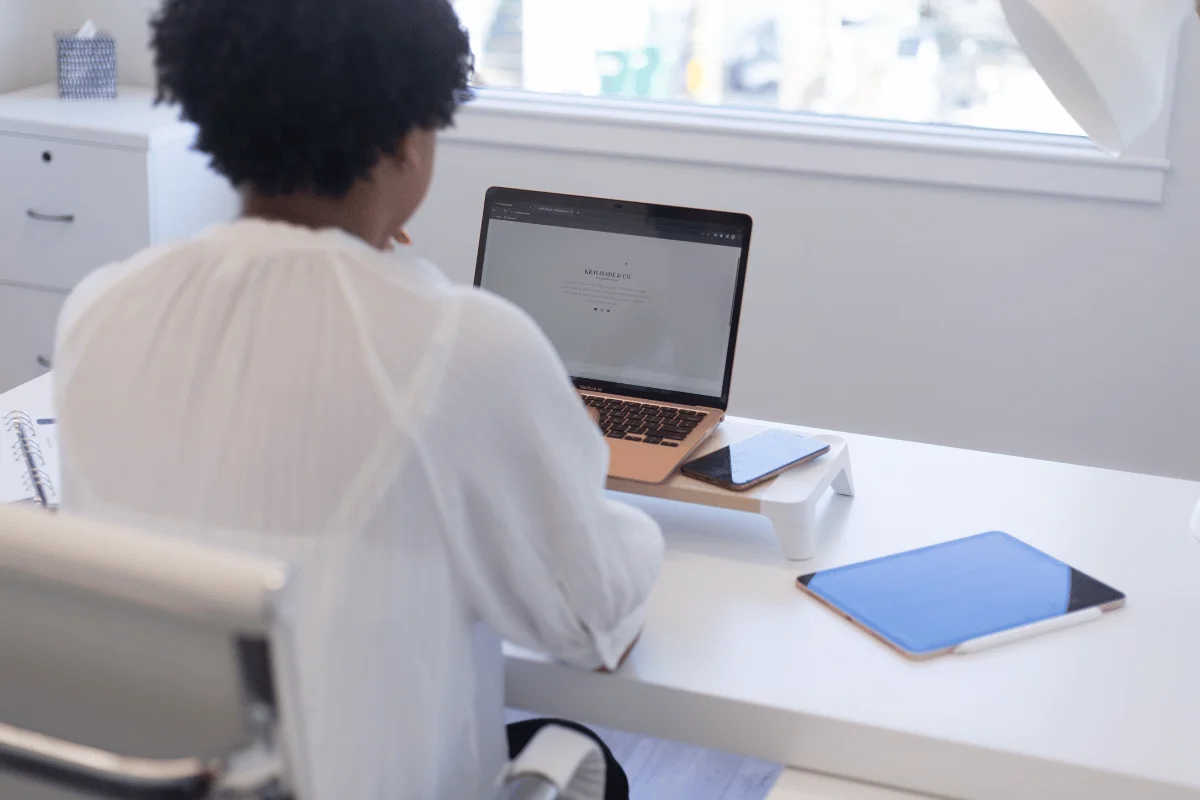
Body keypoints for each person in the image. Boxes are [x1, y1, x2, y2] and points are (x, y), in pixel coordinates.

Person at [51, 0, 664, 798]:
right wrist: (583, 455)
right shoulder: (461, 346)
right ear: (408, 136)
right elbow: (591, 625)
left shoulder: (98, 311)